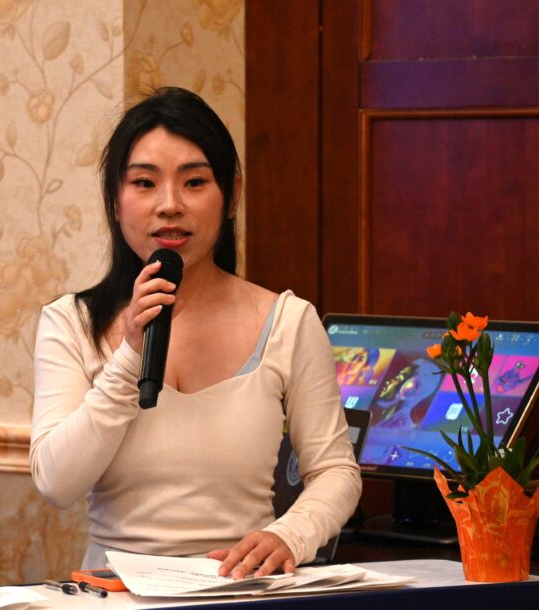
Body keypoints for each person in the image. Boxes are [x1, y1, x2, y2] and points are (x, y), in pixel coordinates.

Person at [30, 87, 361, 579]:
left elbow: (336, 471)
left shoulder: (288, 321)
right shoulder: (71, 322)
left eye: (194, 182)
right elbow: (56, 483)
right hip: (116, 595)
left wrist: (290, 535)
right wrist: (129, 355)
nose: (169, 205)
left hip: (239, 588)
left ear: (232, 196)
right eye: (145, 183)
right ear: (114, 200)